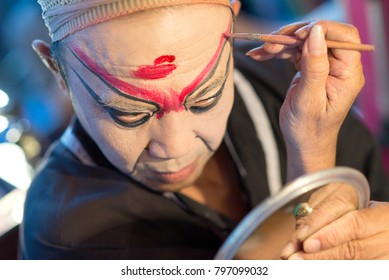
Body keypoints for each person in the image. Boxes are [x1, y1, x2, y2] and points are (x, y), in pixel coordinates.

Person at [19, 0, 389, 260]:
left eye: (206, 96)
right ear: (59, 72)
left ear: (233, 30)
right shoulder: (66, 234)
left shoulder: (284, 92)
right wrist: (314, 161)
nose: (174, 147)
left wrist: (314, 135)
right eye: (129, 113)